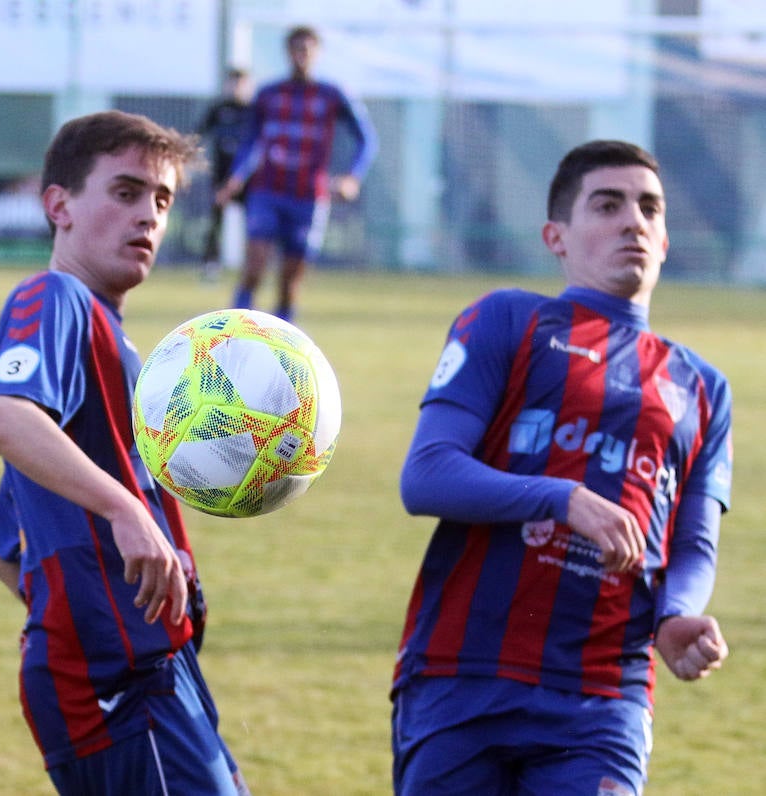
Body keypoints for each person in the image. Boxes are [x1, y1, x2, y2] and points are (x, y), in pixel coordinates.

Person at [391, 140, 732, 795]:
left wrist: (676, 615)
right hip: (463, 672)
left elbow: (691, 545)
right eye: (608, 204)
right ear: (557, 236)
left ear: (662, 241)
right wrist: (561, 497)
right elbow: (427, 473)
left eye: (649, 209)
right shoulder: (507, 321)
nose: (633, 220)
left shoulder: (703, 387)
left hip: (603, 695)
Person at [0, 110, 248, 796]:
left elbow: (2, 547)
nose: (148, 217)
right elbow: (6, 416)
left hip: (150, 666)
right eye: (125, 193)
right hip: (118, 677)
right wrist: (126, 509)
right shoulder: (55, 296)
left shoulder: (115, 343)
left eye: (161, 200)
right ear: (58, 205)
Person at [215, 25, 377, 324]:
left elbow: (367, 139)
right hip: (268, 191)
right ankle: (231, 332)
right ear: (288, 52)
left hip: (309, 197)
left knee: (290, 283)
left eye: (307, 49)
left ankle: (283, 345)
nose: (301, 55)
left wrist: (352, 177)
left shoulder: (332, 95)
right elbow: (251, 141)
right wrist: (236, 176)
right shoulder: (268, 94)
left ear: (317, 52)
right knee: (254, 266)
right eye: (296, 48)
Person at [198, 67, 253, 281]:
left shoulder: (253, 111)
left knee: (254, 227)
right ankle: (210, 266)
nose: (236, 88)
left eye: (241, 83)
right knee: (215, 223)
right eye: (233, 82)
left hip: (248, 182)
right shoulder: (218, 109)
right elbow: (199, 134)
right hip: (220, 179)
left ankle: (250, 268)